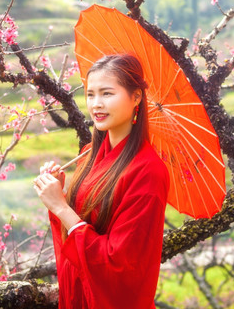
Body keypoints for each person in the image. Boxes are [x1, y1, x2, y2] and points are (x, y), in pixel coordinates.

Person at [33, 54, 169, 309]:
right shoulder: (89, 155)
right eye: (90, 94)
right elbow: (77, 228)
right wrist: (59, 192)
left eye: (107, 94)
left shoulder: (148, 171)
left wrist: (62, 208)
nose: (96, 104)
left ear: (136, 96)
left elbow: (119, 264)